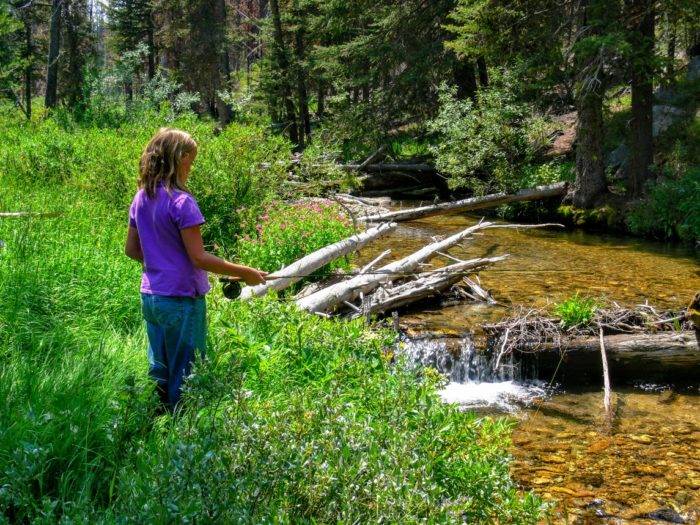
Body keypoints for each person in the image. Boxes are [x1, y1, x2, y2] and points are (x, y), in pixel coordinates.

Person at [125, 128, 267, 410]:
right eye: (191, 159)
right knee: (186, 372)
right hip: (181, 300)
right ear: (179, 159)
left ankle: (155, 424)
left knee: (159, 368)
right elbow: (199, 258)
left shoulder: (141, 198)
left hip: (151, 297)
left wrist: (161, 263)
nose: (192, 166)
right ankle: (182, 435)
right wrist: (247, 272)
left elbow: (131, 250)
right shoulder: (182, 202)